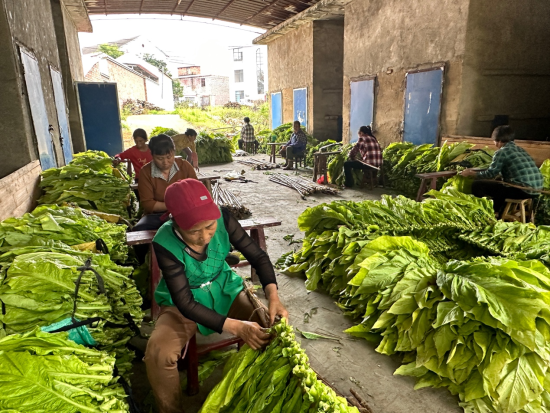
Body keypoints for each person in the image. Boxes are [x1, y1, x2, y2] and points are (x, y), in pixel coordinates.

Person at [144, 179, 289, 413]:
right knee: (158, 354)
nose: (205, 237)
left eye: (210, 226)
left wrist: (273, 297)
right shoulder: (164, 242)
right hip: (183, 302)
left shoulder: (224, 218)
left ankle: (254, 399)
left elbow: (258, 256)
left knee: (271, 332)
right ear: (176, 224)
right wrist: (237, 327)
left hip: (224, 288)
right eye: (194, 231)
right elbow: (185, 303)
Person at [461, 125, 543, 214]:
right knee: (499, 186)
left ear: (498, 141)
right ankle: (497, 211)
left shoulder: (501, 152)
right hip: (536, 190)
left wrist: (471, 173)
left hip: (522, 191)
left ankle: (486, 212)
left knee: (477, 185)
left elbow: (490, 174)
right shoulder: (520, 149)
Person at [135, 134, 198, 232]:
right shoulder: (146, 172)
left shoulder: (185, 166)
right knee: (138, 230)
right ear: (152, 155)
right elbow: (148, 204)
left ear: (174, 152)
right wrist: (175, 205)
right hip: (157, 216)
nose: (165, 162)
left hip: (185, 211)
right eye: (160, 158)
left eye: (169, 157)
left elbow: (197, 192)